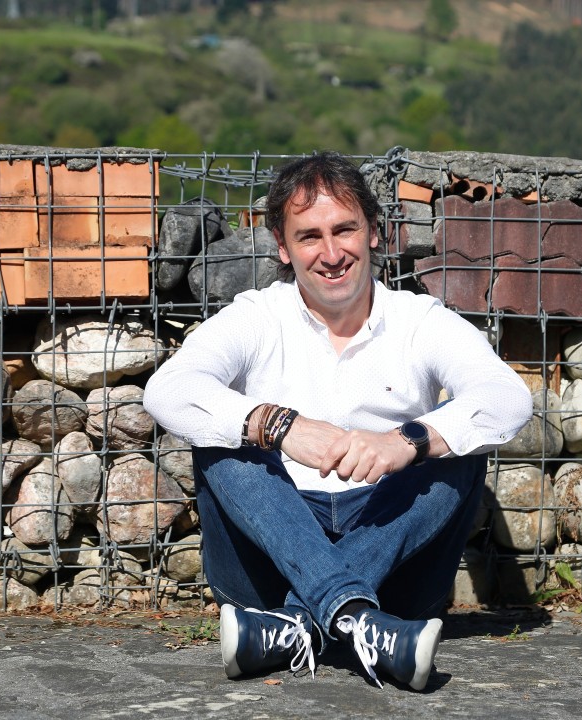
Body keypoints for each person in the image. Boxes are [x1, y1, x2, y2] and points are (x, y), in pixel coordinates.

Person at [143, 151, 532, 691]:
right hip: (266, 559)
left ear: (373, 231)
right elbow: (167, 390)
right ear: (283, 247)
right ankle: (359, 622)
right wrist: (276, 424)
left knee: (456, 448)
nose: (331, 254)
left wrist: (408, 440)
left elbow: (507, 397)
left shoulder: (419, 320)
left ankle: (294, 627)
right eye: (309, 237)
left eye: (345, 229)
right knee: (222, 435)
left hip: (393, 564)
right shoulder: (256, 315)